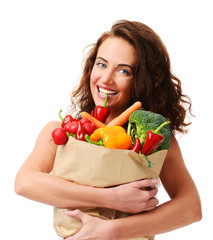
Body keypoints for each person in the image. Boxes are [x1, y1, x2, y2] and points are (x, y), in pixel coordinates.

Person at [15, 20, 202, 239]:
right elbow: (24, 183)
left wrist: (111, 230)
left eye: (124, 70)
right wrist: (110, 198)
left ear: (143, 80)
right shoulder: (64, 133)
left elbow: (191, 209)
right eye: (101, 64)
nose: (105, 79)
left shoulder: (152, 142)